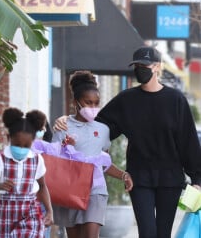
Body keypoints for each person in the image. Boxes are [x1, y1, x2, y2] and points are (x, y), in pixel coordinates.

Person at [54, 46, 201, 238]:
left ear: (157, 67)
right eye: (137, 65)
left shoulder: (176, 100)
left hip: (170, 179)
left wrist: (197, 179)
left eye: (145, 65)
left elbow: (187, 141)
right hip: (139, 178)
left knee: (163, 233)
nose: (140, 69)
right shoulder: (126, 99)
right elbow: (96, 125)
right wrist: (67, 121)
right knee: (147, 232)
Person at [51, 70, 133, 238]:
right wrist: (66, 148)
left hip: (96, 191)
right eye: (88, 103)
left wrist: (123, 175)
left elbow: (103, 163)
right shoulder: (62, 127)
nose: (93, 108)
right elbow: (54, 163)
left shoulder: (103, 130)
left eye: (96, 103)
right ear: (75, 102)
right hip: (69, 191)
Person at [0, 107, 54, 238]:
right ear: (8, 137)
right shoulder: (0, 159)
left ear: (33, 141)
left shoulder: (36, 159)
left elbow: (42, 186)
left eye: (26, 145)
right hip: (7, 213)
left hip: (30, 212)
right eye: (17, 145)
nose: (21, 149)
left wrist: (49, 211)